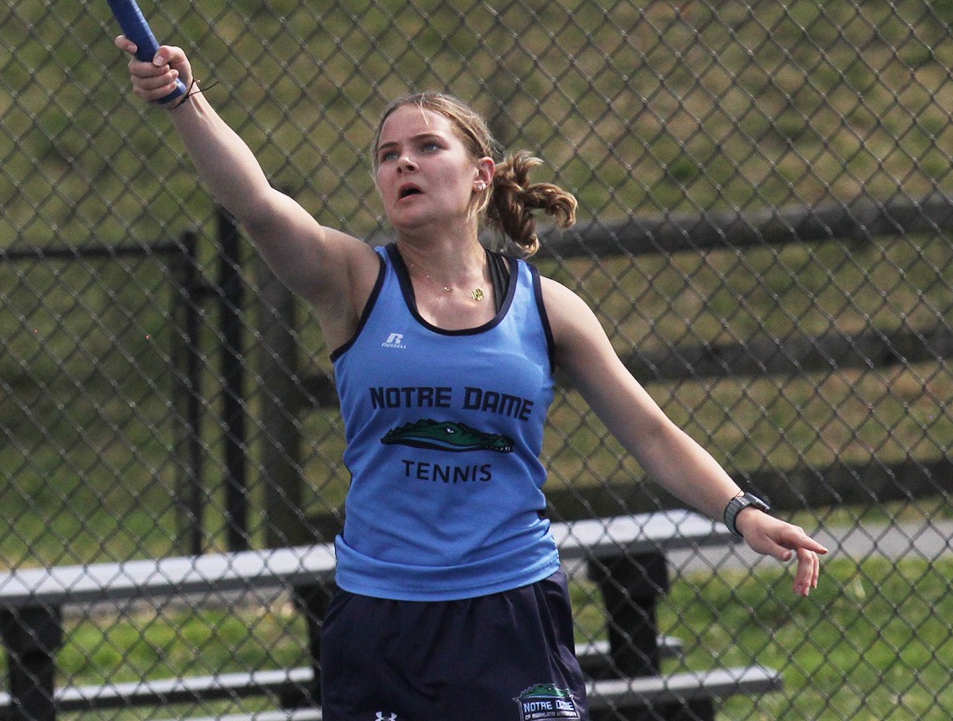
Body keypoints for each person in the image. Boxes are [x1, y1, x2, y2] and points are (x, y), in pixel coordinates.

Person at [119, 37, 827, 721]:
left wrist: (744, 511)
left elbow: (650, 431)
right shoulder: (353, 282)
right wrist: (188, 99)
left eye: (428, 147)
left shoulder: (547, 308)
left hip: (511, 610)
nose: (404, 164)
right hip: (382, 617)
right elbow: (256, 203)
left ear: (481, 176)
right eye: (387, 155)